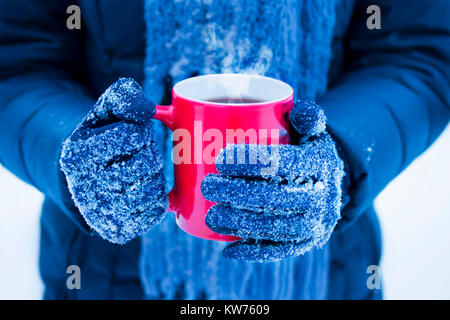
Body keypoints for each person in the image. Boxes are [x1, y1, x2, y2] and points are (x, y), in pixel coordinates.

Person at [0, 0, 448, 300]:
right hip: (104, 278)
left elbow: (417, 51)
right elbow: (16, 61)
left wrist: (343, 161)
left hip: (328, 276)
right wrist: (76, 152)